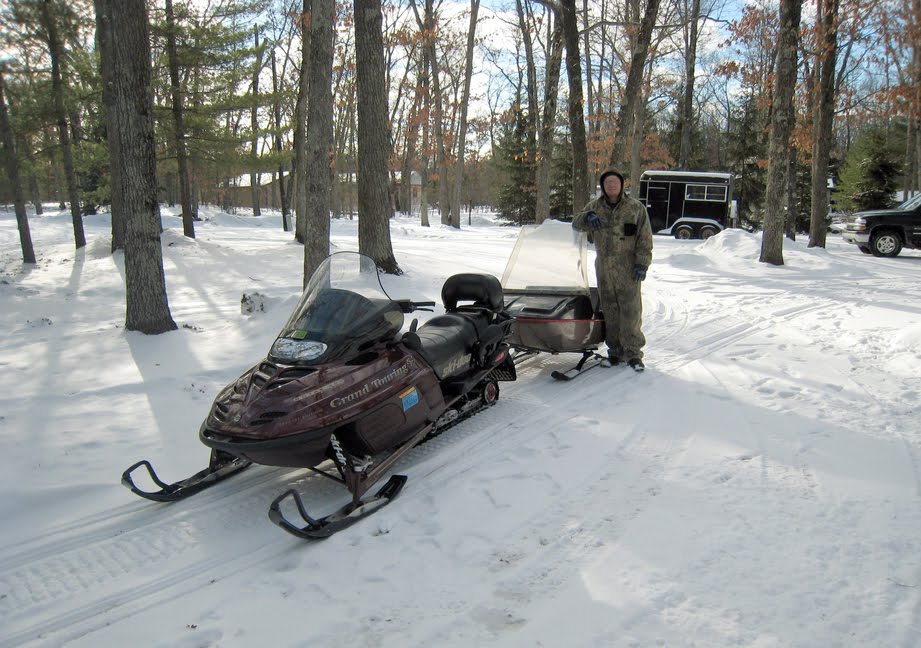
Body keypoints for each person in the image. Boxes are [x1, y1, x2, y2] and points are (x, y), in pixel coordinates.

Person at [572, 168, 653, 371]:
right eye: (607, 183)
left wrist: (642, 264)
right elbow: (576, 223)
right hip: (604, 269)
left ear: (621, 185)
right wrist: (587, 217)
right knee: (610, 311)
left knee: (631, 311)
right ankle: (615, 352)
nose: (611, 186)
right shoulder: (595, 206)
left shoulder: (635, 208)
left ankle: (633, 354)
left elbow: (645, 239)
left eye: (614, 182)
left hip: (628, 268)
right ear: (603, 186)